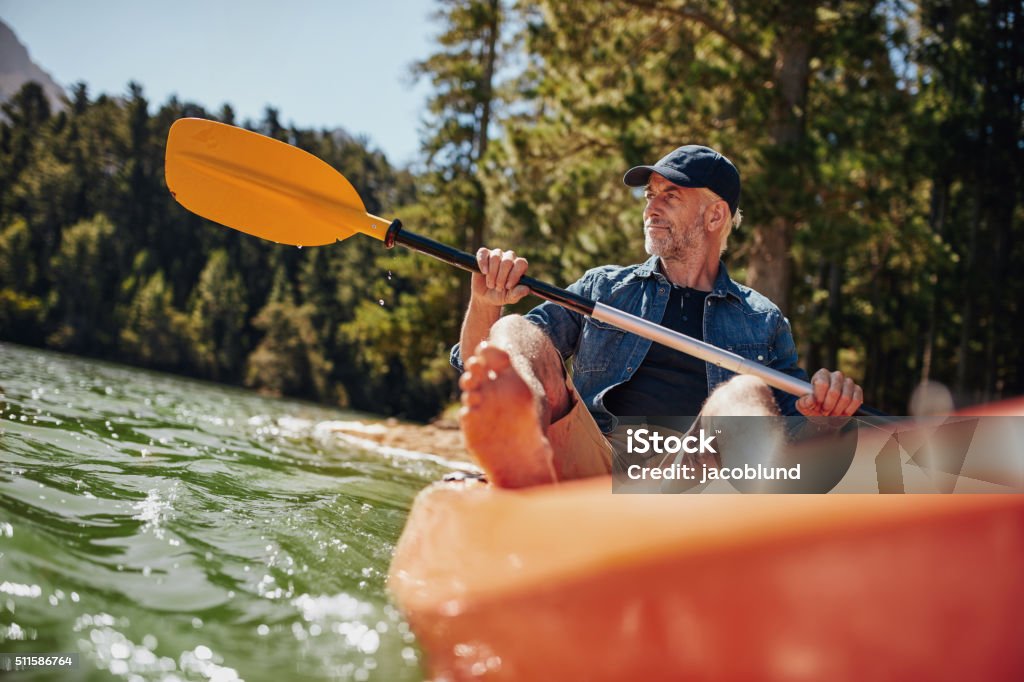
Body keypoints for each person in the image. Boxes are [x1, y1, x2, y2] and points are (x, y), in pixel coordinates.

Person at [450, 145, 864, 488]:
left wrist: (826, 420)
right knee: (513, 329)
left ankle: (745, 540)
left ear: (715, 216)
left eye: (670, 195)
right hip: (591, 464)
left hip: (688, 482)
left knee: (741, 397)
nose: (651, 208)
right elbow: (478, 363)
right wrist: (487, 303)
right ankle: (517, 458)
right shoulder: (604, 288)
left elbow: (792, 437)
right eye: (650, 195)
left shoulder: (763, 320)